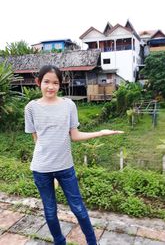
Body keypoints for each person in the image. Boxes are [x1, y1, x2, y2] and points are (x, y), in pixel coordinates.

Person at [24, 65, 124, 245]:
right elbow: (37, 139)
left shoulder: (69, 105)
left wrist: (101, 132)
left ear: (60, 85)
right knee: (50, 210)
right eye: (46, 82)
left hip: (65, 168)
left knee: (78, 209)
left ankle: (92, 242)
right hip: (41, 169)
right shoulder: (31, 108)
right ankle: (59, 242)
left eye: (55, 83)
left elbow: (75, 135)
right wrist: (49, 168)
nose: (50, 87)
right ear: (39, 82)